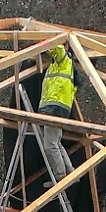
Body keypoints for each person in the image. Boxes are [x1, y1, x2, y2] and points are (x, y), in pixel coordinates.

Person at [36, 45, 79, 189]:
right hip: (58, 107)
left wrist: (44, 39)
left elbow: (57, 49)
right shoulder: (58, 65)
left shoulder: (64, 60)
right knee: (56, 142)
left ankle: (60, 178)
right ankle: (70, 172)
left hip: (55, 108)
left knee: (50, 145)